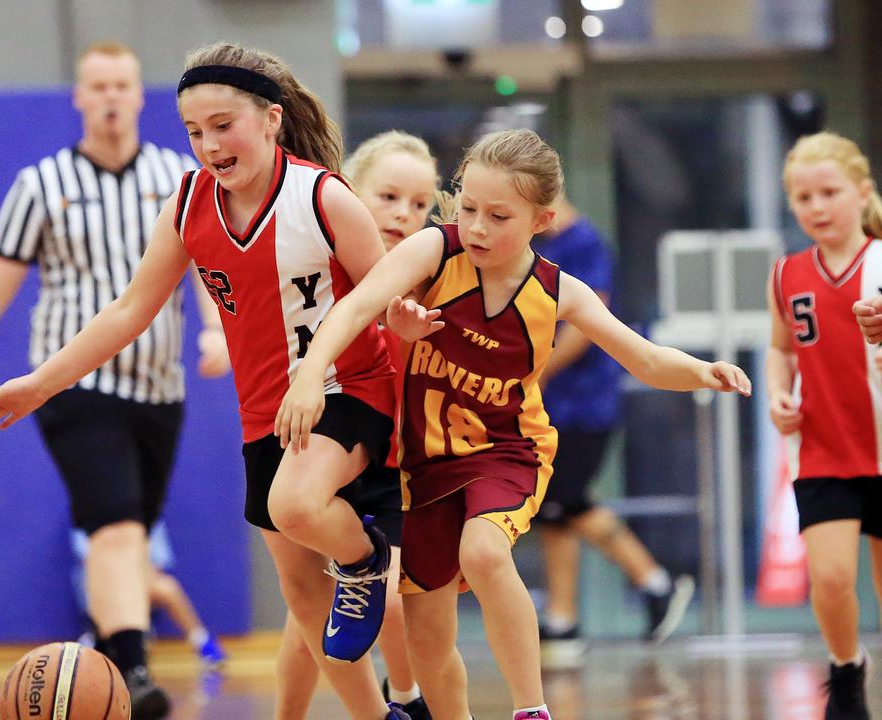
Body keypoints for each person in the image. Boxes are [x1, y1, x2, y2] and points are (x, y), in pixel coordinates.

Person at [0, 42, 412, 720]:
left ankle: (365, 559)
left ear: (271, 119)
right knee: (299, 591)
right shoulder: (187, 204)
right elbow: (128, 310)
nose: (208, 143)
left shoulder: (321, 196)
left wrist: (371, 340)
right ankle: (377, 716)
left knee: (295, 506)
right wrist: (41, 383)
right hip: (266, 412)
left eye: (223, 124)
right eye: (194, 131)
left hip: (349, 388)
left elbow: (381, 289)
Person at [275, 128, 751, 720]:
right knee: (427, 640)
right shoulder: (431, 252)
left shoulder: (558, 294)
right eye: (468, 208)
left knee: (484, 551)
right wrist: (309, 371)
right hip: (425, 467)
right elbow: (355, 305)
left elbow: (646, 358)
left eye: (498, 216)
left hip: (507, 452)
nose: (476, 227)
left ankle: (532, 709)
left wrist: (706, 371)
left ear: (541, 220)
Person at [0, 41, 228, 720]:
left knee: (130, 532)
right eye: (99, 86)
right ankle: (132, 671)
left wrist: (214, 328)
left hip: (159, 387)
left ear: (139, 95)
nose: (113, 96)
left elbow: (208, 263)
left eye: (124, 84)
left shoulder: (179, 175)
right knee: (117, 527)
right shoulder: (41, 184)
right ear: (80, 98)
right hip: (73, 385)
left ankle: (116, 664)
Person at [273, 130, 438, 720]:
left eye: (420, 205)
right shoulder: (327, 275)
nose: (403, 213)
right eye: (389, 196)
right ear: (350, 194)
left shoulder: (432, 283)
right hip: (335, 445)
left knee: (382, 601)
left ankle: (405, 696)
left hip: (399, 461)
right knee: (309, 612)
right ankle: (396, 700)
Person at [532, 192, 695, 666]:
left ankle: (654, 581)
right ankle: (565, 620)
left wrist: (533, 373)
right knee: (554, 507)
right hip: (548, 404)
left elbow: (585, 327)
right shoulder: (537, 246)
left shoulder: (584, 244)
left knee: (564, 499)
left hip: (583, 404)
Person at [768, 130, 882, 720]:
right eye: (803, 197)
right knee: (833, 579)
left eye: (829, 192)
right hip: (822, 446)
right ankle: (845, 668)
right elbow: (781, 348)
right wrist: (777, 392)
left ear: (862, 193)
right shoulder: (787, 273)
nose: (817, 206)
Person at [70, 521, 227, 669]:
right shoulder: (89, 511)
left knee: (167, 587)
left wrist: (133, 584)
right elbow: (91, 560)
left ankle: (202, 641)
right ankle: (97, 637)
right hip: (104, 582)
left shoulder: (149, 518)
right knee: (103, 586)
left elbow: (156, 564)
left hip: (140, 581)